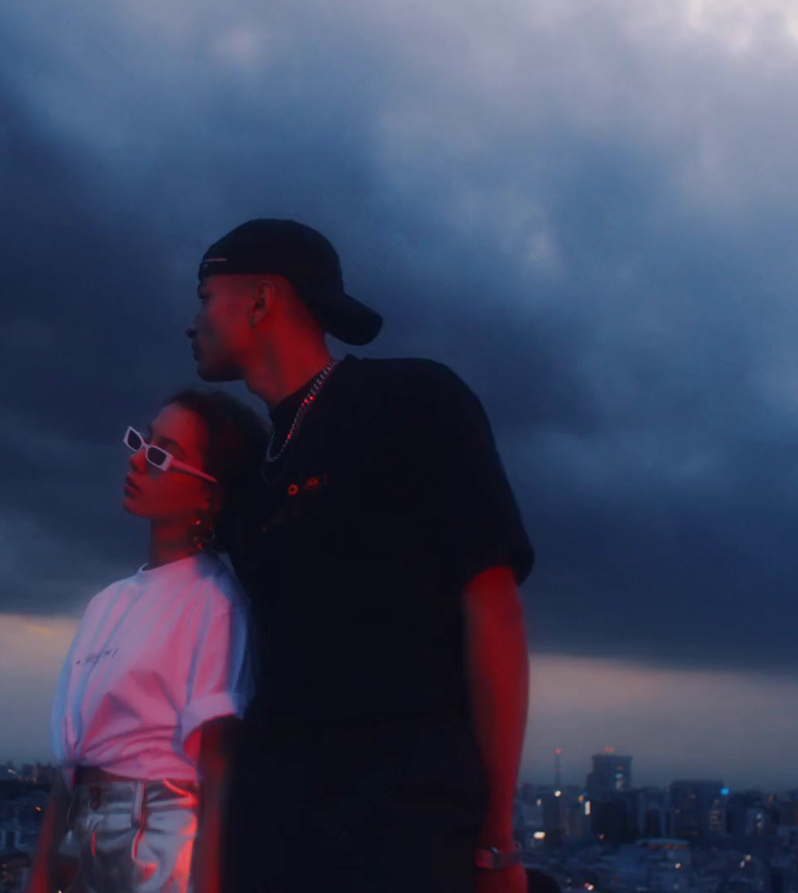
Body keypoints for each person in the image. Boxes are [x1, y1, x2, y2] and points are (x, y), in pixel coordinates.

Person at [186, 219, 537, 893]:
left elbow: (491, 606)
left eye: (206, 296)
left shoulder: (412, 401)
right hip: (272, 824)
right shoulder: (251, 472)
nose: (193, 321)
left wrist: (495, 837)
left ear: (260, 301)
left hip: (403, 820)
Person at [28, 388, 267, 893]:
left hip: (159, 844)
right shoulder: (106, 603)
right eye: (143, 442)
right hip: (82, 842)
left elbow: (218, 771)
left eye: (161, 456)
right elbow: (68, 770)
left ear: (210, 495)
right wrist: (39, 877)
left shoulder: (214, 602)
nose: (138, 459)